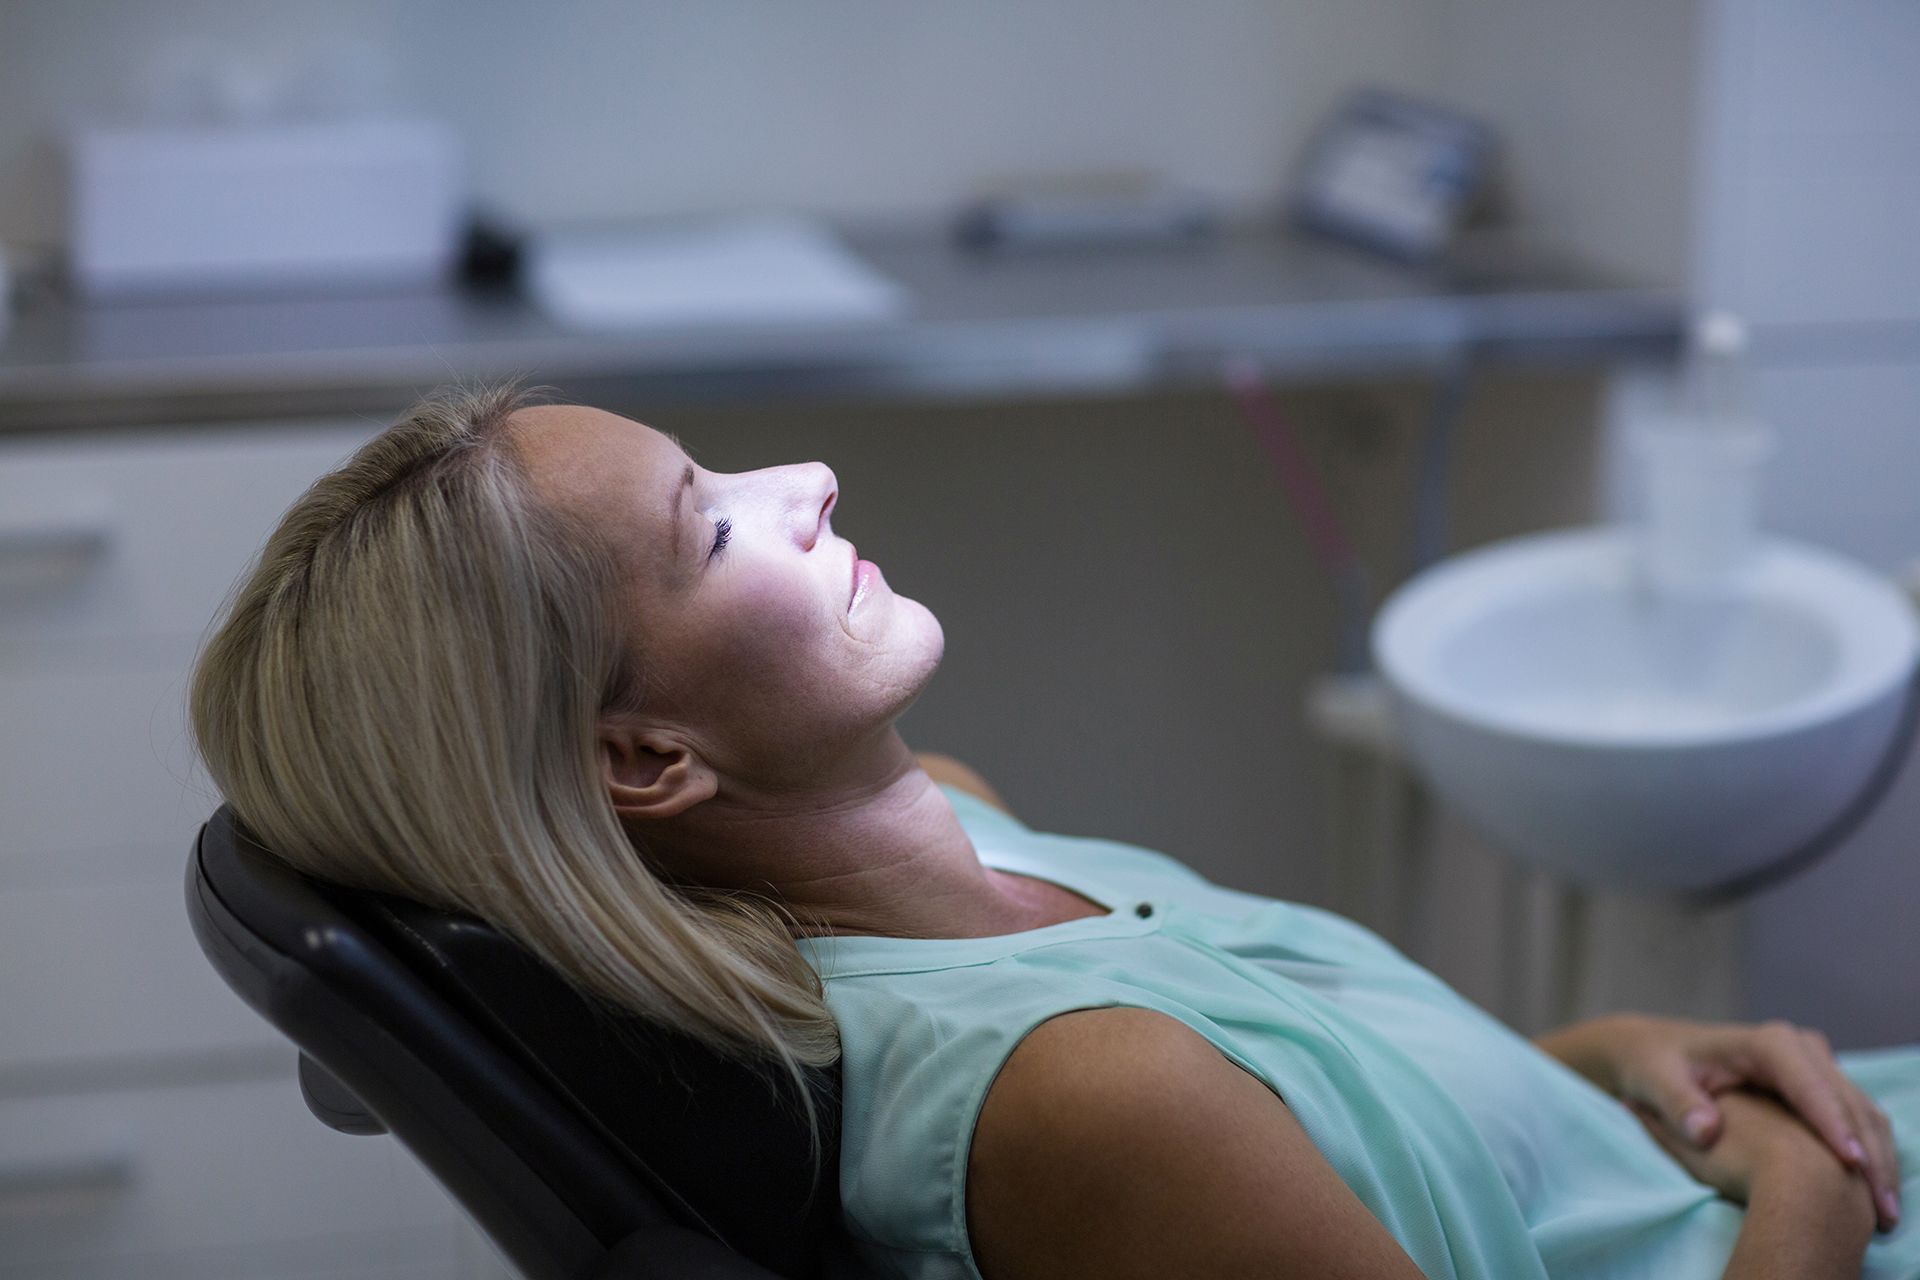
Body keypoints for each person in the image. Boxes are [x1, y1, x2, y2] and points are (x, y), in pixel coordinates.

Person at [190, 383, 1917, 1279]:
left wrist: (1623, 1057)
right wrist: (1804, 1180)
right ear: (646, 760)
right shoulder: (1080, 1098)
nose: (806, 481)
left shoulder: (961, 826)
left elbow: (1341, 1139)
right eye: (712, 530)